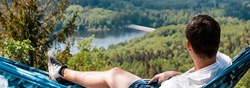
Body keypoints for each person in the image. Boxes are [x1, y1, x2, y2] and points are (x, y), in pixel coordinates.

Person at [47, 14, 232, 88]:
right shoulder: (226, 63)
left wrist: (173, 79)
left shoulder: (174, 85)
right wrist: (173, 74)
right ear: (217, 41)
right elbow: (199, 78)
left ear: (188, 45)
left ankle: (62, 73)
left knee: (114, 74)